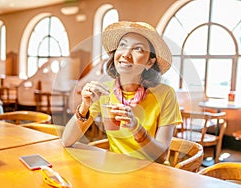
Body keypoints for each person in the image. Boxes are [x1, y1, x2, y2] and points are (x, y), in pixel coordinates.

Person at [61, 21, 181, 164]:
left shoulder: (166, 94)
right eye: (122, 45)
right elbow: (66, 141)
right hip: (117, 170)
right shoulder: (104, 91)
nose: (125, 54)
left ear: (149, 63)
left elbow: (161, 157)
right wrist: (84, 106)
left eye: (138, 49)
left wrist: (136, 128)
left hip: (154, 172)